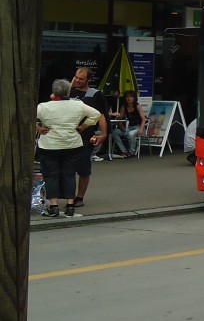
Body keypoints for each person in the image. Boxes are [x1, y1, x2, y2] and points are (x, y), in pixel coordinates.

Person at [36, 78, 101, 217]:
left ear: (53, 92)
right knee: (69, 174)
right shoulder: (78, 105)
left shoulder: (43, 107)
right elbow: (96, 114)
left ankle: (53, 205)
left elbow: (27, 117)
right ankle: (70, 205)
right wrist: (83, 126)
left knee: (51, 175)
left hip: (49, 144)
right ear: (69, 91)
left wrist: (38, 128)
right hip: (72, 144)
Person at [69, 66, 108, 208]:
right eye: (76, 77)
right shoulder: (68, 91)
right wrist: (71, 85)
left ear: (89, 80)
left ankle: (79, 197)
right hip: (67, 137)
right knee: (67, 169)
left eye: (81, 79)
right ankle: (68, 197)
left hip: (85, 137)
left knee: (84, 169)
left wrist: (103, 134)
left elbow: (101, 115)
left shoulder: (95, 94)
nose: (77, 80)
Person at [110, 89, 146, 157]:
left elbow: (143, 119)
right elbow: (120, 118)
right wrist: (121, 126)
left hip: (138, 127)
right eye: (127, 97)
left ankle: (131, 151)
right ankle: (124, 150)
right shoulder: (124, 107)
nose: (129, 99)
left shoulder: (137, 106)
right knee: (114, 132)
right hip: (129, 127)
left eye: (131, 97)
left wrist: (141, 129)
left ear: (134, 98)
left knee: (131, 134)